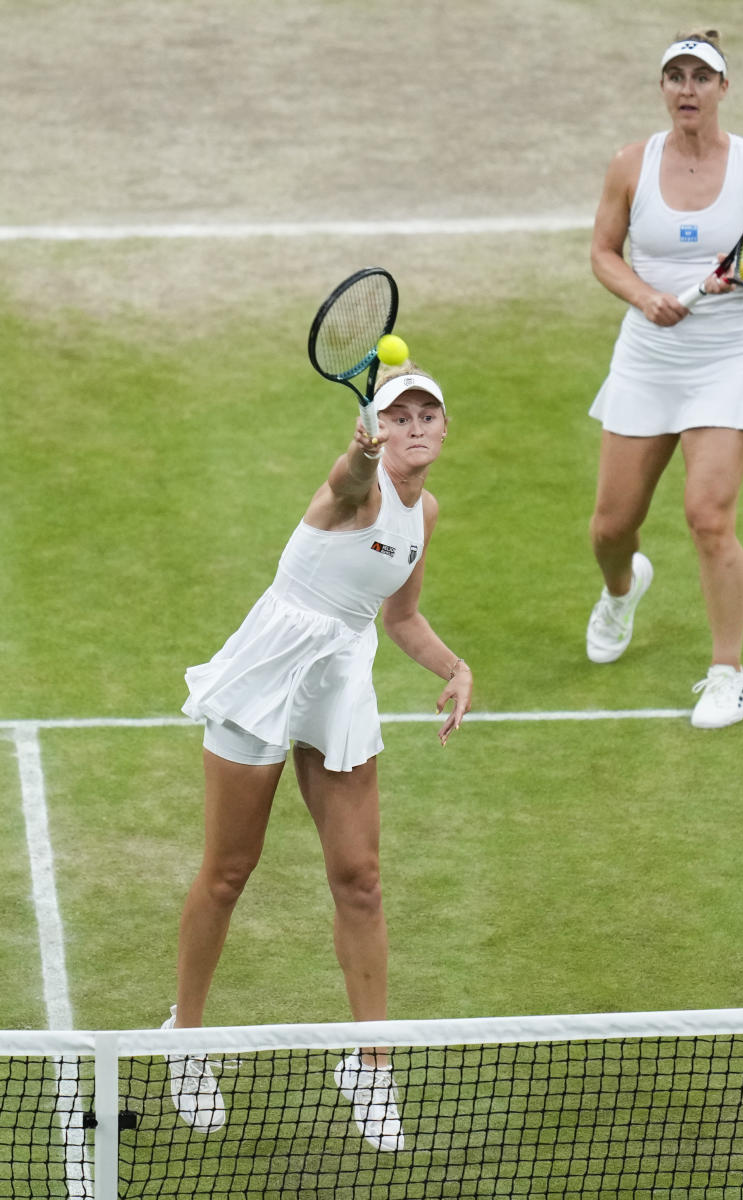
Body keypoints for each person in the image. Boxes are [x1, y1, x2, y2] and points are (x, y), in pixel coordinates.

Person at [162, 363, 472, 1152]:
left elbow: (399, 614)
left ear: (443, 429)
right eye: (396, 416)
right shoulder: (357, 487)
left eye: (425, 415)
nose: (412, 427)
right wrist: (361, 455)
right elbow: (348, 478)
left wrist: (454, 668)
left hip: (339, 676)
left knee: (361, 881)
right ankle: (185, 1039)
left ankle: (370, 1065)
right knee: (229, 872)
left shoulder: (423, 512)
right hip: (270, 669)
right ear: (374, 428)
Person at [585, 30, 743, 728]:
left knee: (708, 516)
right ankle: (622, 590)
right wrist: (645, 297)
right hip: (647, 360)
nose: (687, 89)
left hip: (726, 357)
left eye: (701, 77)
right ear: (663, 88)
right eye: (675, 77)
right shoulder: (630, 164)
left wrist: (738, 273)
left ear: (722, 89)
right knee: (611, 528)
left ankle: (727, 674)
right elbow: (602, 253)